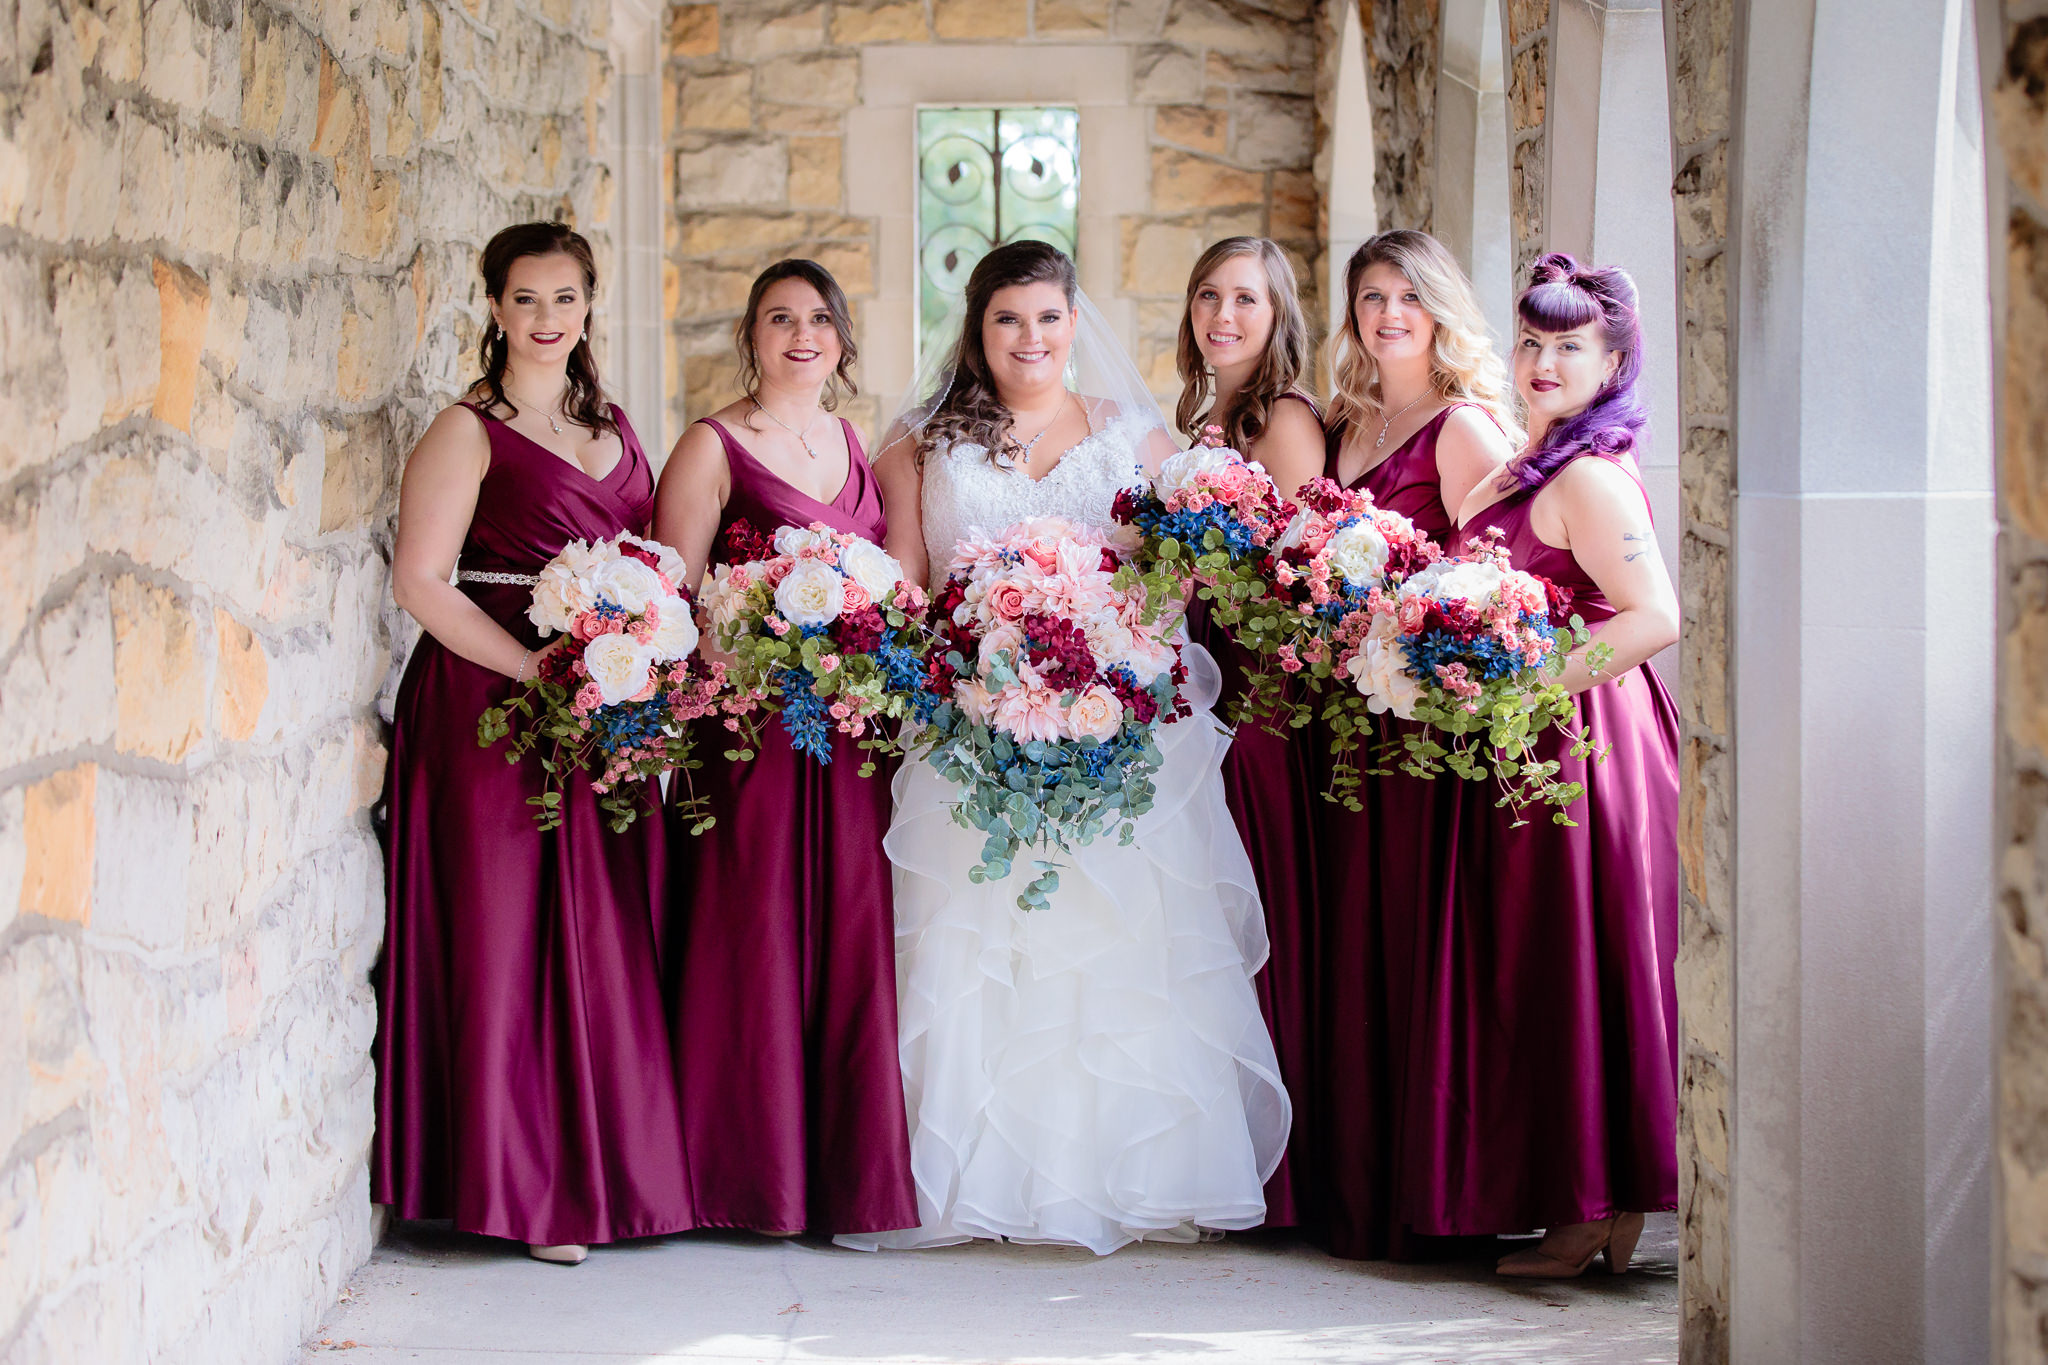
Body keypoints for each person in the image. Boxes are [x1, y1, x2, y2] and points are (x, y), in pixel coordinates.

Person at [840, 240, 1289, 1255]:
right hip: (968, 722)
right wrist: (978, 659)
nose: (1028, 338)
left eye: (1046, 318)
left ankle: (1131, 1178)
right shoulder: (919, 441)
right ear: (978, 329)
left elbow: (1177, 573)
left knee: (1112, 941)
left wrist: (1106, 650)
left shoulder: (1133, 436)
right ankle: (967, 1182)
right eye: (1006, 320)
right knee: (978, 944)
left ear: (1074, 323)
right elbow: (906, 582)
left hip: (1116, 729)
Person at [374, 221, 691, 1265]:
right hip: (487, 705)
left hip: (597, 700)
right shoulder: (465, 432)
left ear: (588, 307)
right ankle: (523, 1193)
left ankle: (609, 1178)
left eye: (564, 299)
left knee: (600, 931)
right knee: (507, 936)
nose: (547, 320)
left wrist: (633, 658)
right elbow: (420, 581)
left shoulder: (616, 426)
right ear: (495, 309)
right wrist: (539, 674)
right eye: (526, 300)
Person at [650, 259, 918, 1237]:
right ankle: (742, 1180)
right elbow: (667, 606)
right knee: (750, 931)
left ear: (840, 339)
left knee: (848, 936)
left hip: (846, 738)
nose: (800, 335)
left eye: (817, 319)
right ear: (751, 337)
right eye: (779, 319)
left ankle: (844, 1183)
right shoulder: (709, 446)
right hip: (750, 732)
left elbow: (886, 585)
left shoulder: (852, 444)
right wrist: (737, 645)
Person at [1427, 252, 1681, 1276]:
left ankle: (1589, 1210)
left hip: (1580, 747)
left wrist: (1525, 689)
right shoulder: (1516, 466)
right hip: (1520, 744)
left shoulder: (1585, 476)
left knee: (1575, 962)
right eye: (1529, 342)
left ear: (1610, 361)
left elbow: (1655, 615)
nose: (1541, 361)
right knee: (1536, 964)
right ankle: (1591, 1205)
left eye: (1567, 346)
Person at [1314, 228, 1518, 1259]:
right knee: (1359, 945)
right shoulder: (1349, 421)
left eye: (1407, 296)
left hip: (1420, 734)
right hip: (1348, 723)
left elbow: (1492, 586)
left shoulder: (1461, 428)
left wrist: (1407, 627)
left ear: (1439, 309)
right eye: (1370, 298)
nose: (1388, 314)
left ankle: (1433, 1199)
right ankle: (1361, 1191)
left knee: (1416, 945)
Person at [1173, 236, 1326, 1228]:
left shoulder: (1281, 419)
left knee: (1264, 913)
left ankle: (1291, 1175)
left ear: (1278, 317)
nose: (1222, 315)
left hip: (1262, 701)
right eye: (1208, 296)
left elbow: (1310, 571)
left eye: (1245, 300)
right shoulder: (1201, 417)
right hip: (1206, 692)